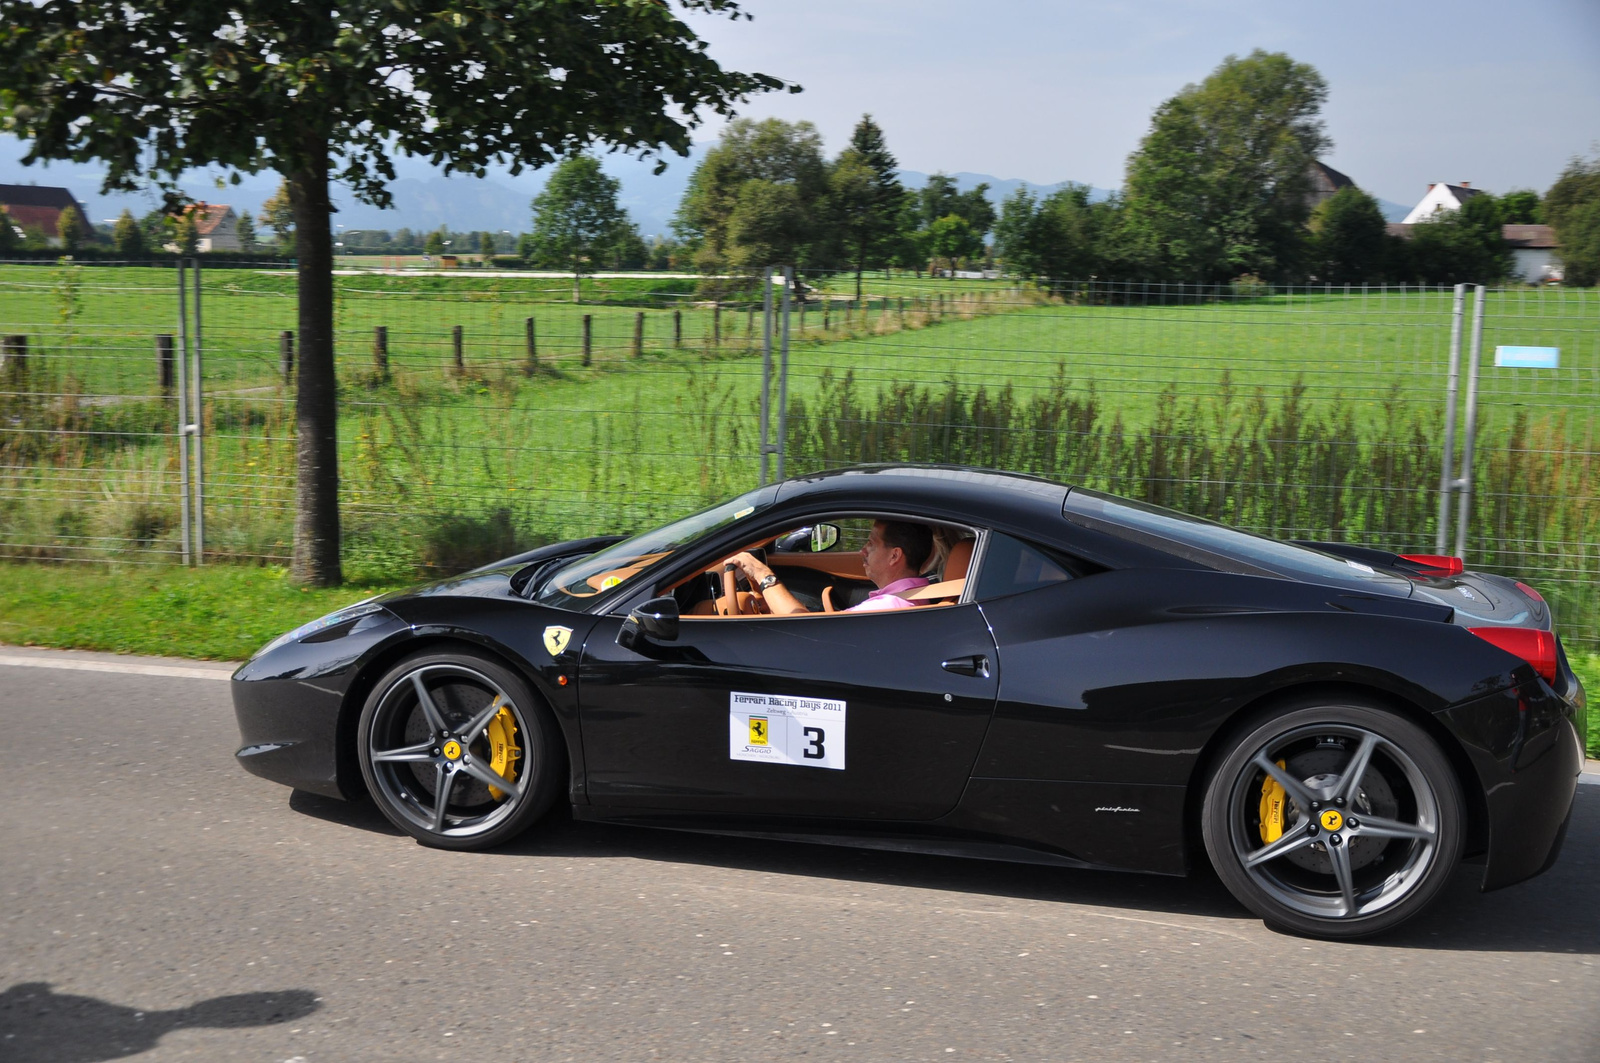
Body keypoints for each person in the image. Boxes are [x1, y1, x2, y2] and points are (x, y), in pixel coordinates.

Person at [725, 520, 934, 615]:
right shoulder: (913, 597)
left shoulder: (891, 606)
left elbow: (805, 630)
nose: (863, 550)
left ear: (895, 555)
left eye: (871, 543)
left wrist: (762, 573)